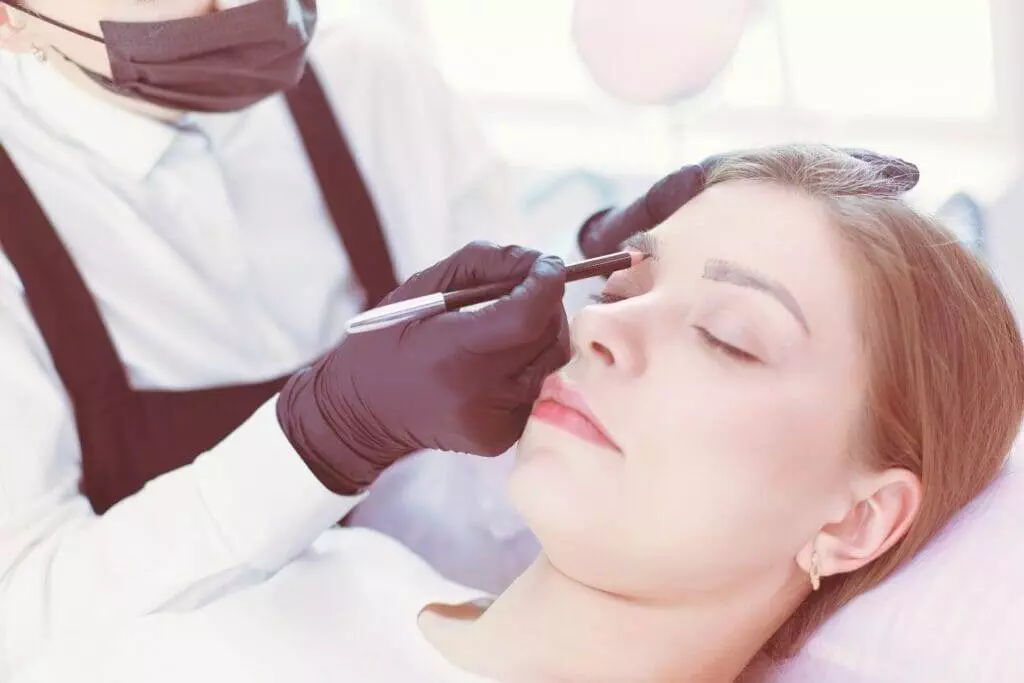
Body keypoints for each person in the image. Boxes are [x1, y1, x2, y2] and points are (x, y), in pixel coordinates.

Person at [13, 144, 1023, 683]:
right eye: (620, 287)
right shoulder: (340, 567)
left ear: (853, 520)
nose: (598, 331)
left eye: (728, 334)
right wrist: (324, 426)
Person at [0, 0, 715, 675]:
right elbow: (23, 629)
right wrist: (318, 440)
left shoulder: (373, 79)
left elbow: (494, 448)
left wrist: (580, 282)